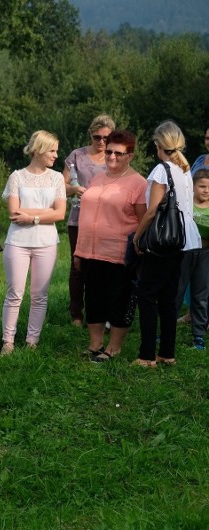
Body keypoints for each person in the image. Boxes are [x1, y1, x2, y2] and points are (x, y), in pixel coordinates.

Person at [132, 120, 201, 367]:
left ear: (159, 144)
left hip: (162, 241)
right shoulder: (184, 169)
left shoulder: (162, 170)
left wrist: (137, 236)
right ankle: (167, 353)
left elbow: (151, 212)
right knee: (168, 297)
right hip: (184, 240)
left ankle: (147, 355)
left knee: (147, 295)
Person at [73, 130, 146, 362]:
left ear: (130, 156)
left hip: (119, 252)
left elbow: (144, 219)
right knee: (93, 297)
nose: (112, 156)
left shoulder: (138, 183)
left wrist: (137, 249)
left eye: (119, 153)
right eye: (110, 151)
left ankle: (114, 348)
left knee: (119, 299)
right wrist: (78, 251)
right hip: (90, 251)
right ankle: (95, 344)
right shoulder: (98, 178)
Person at [0, 130, 67, 354]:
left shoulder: (57, 178)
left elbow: (60, 214)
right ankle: (7, 341)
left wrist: (32, 217)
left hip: (46, 243)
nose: (56, 155)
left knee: (40, 294)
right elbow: (13, 212)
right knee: (14, 293)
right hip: (17, 241)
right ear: (38, 149)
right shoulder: (17, 177)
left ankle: (32, 341)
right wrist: (45, 212)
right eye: (52, 150)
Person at [62, 114, 115, 326]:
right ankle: (76, 313)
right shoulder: (77, 155)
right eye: (97, 137)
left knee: (104, 267)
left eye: (106, 138)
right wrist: (74, 188)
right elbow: (61, 186)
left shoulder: (114, 156)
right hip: (79, 218)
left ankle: (103, 312)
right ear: (90, 136)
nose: (102, 142)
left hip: (108, 219)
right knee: (78, 266)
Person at [175, 169, 209, 350]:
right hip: (185, 253)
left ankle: (199, 336)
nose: (206, 190)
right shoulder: (187, 205)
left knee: (201, 295)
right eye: (202, 186)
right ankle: (166, 331)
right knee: (176, 292)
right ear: (193, 187)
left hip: (205, 254)